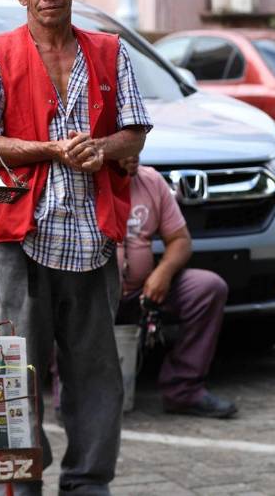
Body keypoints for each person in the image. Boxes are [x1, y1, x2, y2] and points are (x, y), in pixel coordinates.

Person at [0, 0, 151, 496]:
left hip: (92, 238)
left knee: (96, 377)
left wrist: (105, 146)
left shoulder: (110, 52)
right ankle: (22, 482)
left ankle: (88, 484)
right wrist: (51, 150)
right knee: (16, 371)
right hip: (21, 237)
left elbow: (135, 131)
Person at [117, 155, 237, 418]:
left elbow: (180, 240)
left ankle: (184, 391)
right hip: (93, 295)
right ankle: (70, 398)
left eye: (137, 143)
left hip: (142, 292)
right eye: (124, 145)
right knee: (63, 298)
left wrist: (164, 271)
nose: (132, 154)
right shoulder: (78, 181)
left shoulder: (150, 180)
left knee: (208, 287)